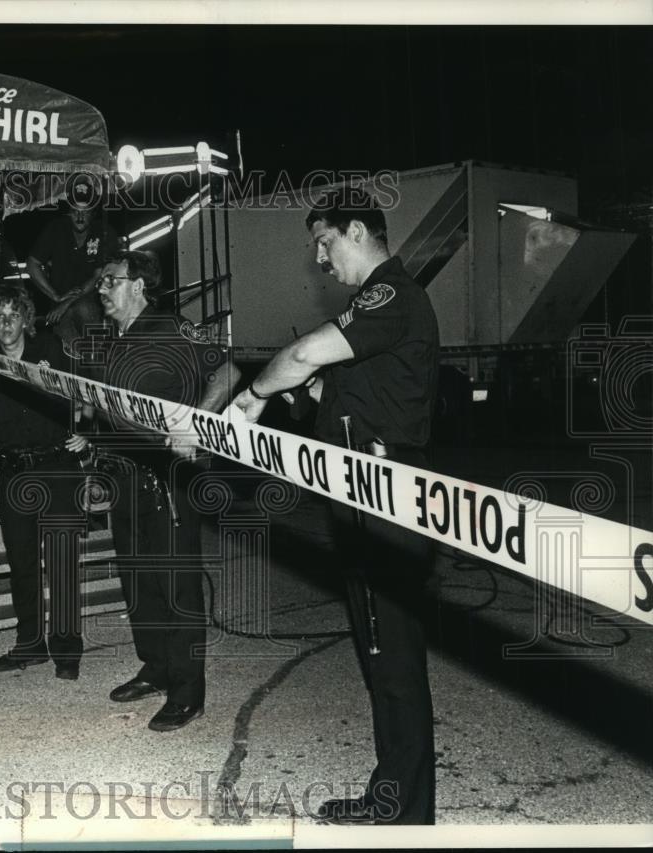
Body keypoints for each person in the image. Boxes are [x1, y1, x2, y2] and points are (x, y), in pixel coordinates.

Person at [232, 199, 440, 825]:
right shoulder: (373, 306)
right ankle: (395, 793)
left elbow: (302, 356)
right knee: (378, 652)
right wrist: (309, 394)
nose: (320, 260)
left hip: (385, 498)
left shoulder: (390, 293)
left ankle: (402, 810)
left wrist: (253, 395)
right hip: (359, 494)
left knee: (391, 654)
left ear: (358, 232)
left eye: (326, 243)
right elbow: (338, 392)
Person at [88, 249, 236, 732]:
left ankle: (188, 690)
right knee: (139, 582)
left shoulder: (173, 328)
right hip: (125, 479)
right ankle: (155, 667)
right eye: (101, 282)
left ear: (138, 286)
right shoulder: (116, 342)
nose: (102, 289)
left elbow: (229, 370)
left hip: (167, 480)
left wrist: (197, 422)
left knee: (176, 587)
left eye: (110, 279)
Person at [0, 284, 89, 679]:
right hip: (14, 473)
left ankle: (68, 649)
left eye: (13, 315)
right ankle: (30, 645)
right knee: (21, 563)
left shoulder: (51, 352)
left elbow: (87, 394)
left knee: (61, 561)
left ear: (26, 320)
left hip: (57, 468)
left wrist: (87, 432)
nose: (6, 323)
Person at [26, 199, 118, 344]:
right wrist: (56, 296)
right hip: (60, 310)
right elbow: (32, 264)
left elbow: (99, 275)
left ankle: (102, 356)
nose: (80, 217)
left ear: (93, 214)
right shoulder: (56, 228)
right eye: (75, 212)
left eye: (85, 212)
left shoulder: (105, 231)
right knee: (67, 355)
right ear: (68, 212)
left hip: (96, 306)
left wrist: (67, 302)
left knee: (83, 308)